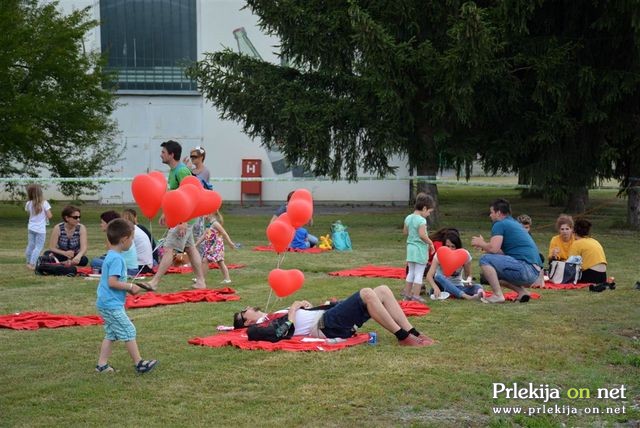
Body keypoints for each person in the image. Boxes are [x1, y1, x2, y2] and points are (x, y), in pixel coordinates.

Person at [233, 285, 435, 347]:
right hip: (324, 326)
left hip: (327, 317)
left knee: (381, 290)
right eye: (246, 310)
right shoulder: (256, 328)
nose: (250, 306)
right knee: (366, 293)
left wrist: (317, 306)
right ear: (247, 320)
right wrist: (294, 310)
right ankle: (403, 337)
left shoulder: (272, 314)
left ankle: (413, 332)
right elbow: (279, 334)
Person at [136, 140, 207, 290]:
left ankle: (154, 283)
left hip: (184, 218)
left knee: (168, 248)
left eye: (163, 152)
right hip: (183, 217)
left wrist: (183, 221)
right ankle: (201, 281)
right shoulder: (174, 171)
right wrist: (166, 212)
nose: (161, 155)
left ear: (171, 154)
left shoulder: (181, 171)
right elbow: (174, 196)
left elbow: (189, 195)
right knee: (190, 248)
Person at [95, 218, 157, 374]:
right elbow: (112, 282)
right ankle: (139, 363)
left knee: (112, 333)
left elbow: (114, 282)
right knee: (129, 330)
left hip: (107, 302)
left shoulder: (111, 255)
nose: (133, 242)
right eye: (132, 238)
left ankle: (102, 365)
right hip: (111, 305)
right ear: (124, 240)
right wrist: (130, 286)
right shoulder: (117, 259)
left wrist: (131, 287)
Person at [471, 198, 541, 303]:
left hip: (525, 269)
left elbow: (494, 249)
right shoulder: (513, 223)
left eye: (491, 212)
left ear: (498, 213)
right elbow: (501, 252)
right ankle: (522, 292)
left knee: (484, 259)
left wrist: (480, 242)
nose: (490, 215)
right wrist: (484, 246)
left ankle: (498, 295)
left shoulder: (500, 224)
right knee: (492, 273)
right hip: (534, 272)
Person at [426, 230, 483, 301]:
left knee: (478, 287)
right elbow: (429, 276)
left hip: (458, 286)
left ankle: (479, 295)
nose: (450, 249)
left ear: (457, 246)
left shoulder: (464, 254)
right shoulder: (439, 254)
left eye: (453, 246)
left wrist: (469, 280)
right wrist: (435, 287)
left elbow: (468, 275)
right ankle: (466, 297)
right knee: (438, 276)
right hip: (441, 287)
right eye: (447, 246)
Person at [401, 193, 436, 303]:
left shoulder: (408, 218)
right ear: (424, 208)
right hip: (419, 249)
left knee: (411, 271)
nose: (428, 215)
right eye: (429, 212)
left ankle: (407, 294)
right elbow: (422, 235)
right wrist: (430, 243)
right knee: (419, 273)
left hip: (410, 248)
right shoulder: (421, 220)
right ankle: (416, 295)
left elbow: (405, 232)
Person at [91, 211, 141, 277]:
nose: (101, 225)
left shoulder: (114, 237)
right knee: (102, 258)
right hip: (133, 268)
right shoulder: (121, 234)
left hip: (128, 270)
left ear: (109, 224)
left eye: (102, 222)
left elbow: (111, 256)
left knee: (94, 262)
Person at [195, 211, 236, 284]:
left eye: (205, 215)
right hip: (210, 246)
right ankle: (227, 279)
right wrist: (196, 244)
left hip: (216, 246)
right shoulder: (209, 224)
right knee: (218, 262)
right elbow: (204, 235)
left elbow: (224, 233)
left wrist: (230, 243)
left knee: (207, 261)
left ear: (211, 214)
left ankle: (201, 278)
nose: (204, 217)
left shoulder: (215, 223)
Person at [568, 218, 608, 284]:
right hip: (603, 276)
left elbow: (570, 264)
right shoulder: (594, 241)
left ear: (574, 232)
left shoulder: (576, 243)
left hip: (591, 275)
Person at [24, 184, 52, 270]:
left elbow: (29, 213)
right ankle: (32, 264)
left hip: (31, 227)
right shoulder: (44, 203)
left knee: (30, 245)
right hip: (40, 229)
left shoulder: (28, 203)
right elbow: (50, 215)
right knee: (38, 247)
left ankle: (28, 262)